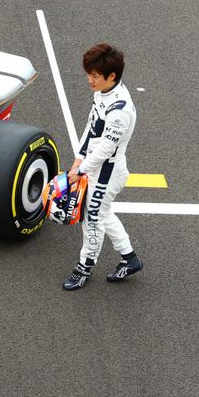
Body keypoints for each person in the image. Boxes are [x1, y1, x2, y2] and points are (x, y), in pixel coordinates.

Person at [63, 43, 142, 290]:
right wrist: (79, 158)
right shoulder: (104, 93)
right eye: (89, 74)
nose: (89, 80)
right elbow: (91, 126)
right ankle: (130, 259)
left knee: (92, 219)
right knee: (103, 214)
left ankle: (84, 267)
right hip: (97, 169)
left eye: (94, 76)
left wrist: (80, 171)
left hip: (106, 174)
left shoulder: (120, 112)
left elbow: (106, 148)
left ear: (112, 76)